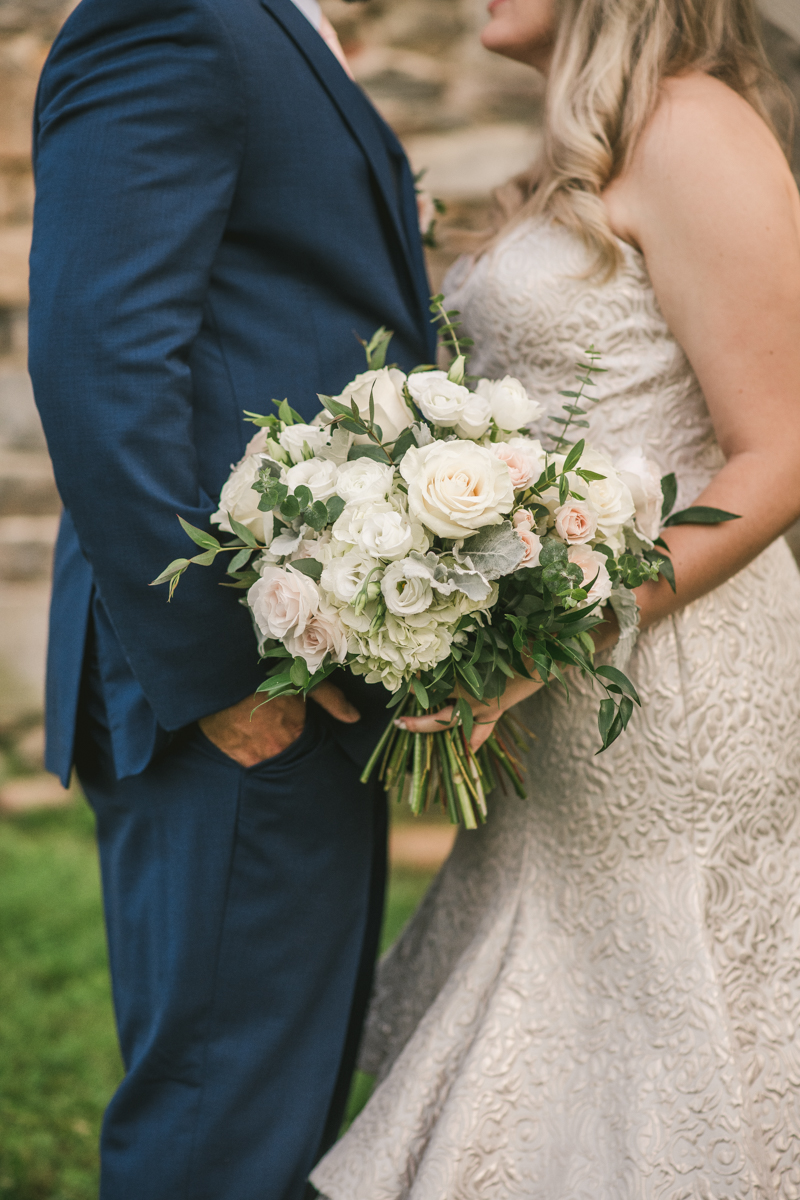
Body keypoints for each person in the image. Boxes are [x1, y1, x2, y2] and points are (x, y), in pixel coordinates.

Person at [311, 0, 800, 1195]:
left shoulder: (693, 126)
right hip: (561, 696)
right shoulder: (587, 145)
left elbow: (778, 451)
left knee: (661, 1036)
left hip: (666, 676)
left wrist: (580, 624)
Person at [27, 0, 435, 1196]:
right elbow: (98, 359)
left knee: (272, 1099)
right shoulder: (171, 17)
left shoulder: (268, 28)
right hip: (236, 676)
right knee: (220, 1121)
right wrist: (222, 674)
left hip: (307, 660)